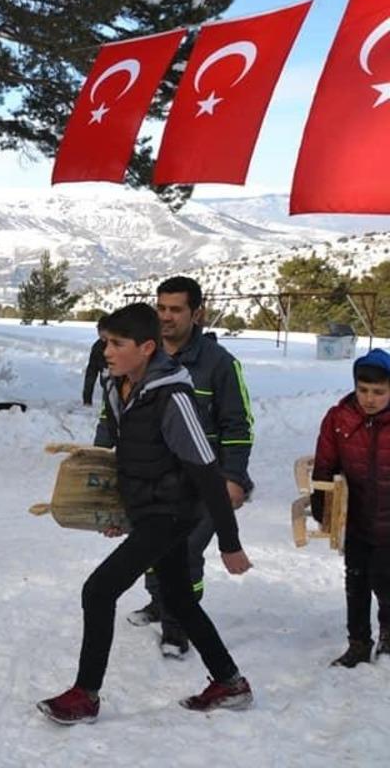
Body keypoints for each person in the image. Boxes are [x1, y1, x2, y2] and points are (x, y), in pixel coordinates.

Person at [38, 303, 253, 725]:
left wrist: (230, 542)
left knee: (98, 591)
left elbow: (207, 472)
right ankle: (230, 683)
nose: (107, 352)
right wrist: (116, 510)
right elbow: (130, 461)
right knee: (177, 597)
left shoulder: (171, 397)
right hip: (150, 509)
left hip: (173, 513)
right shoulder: (121, 386)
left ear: (147, 347)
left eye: (117, 344)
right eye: (104, 342)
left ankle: (86, 695)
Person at [123, 276, 255, 657]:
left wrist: (233, 478)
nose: (166, 317)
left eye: (176, 309)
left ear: (197, 313)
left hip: (202, 481)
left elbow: (237, 426)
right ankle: (159, 602)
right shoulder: (143, 356)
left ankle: (178, 624)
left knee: (187, 552)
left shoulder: (220, 365)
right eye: (160, 308)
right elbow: (117, 416)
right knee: (150, 546)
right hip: (153, 479)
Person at [311, 348, 390, 667]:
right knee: (355, 580)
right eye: (363, 390)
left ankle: (388, 632)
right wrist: (322, 497)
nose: (369, 399)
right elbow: (325, 461)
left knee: (384, 578)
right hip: (357, 517)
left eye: (379, 392)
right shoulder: (339, 418)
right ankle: (357, 642)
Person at [82, 317, 107, 406]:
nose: (102, 333)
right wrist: (87, 399)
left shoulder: (122, 344)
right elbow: (91, 373)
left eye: (105, 330)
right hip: (108, 385)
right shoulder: (97, 347)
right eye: (100, 330)